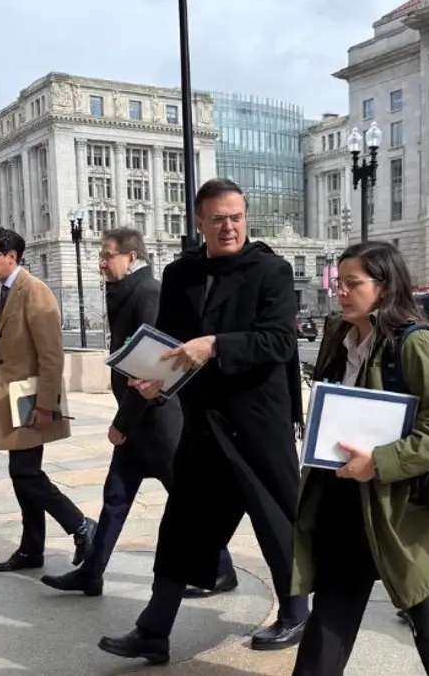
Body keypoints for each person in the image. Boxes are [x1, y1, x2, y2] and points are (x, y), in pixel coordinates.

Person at [96, 179, 310, 664]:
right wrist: (154, 380)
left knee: (275, 521)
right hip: (202, 424)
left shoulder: (271, 270)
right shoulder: (181, 274)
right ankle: (154, 631)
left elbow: (278, 343)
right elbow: (168, 342)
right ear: (199, 222)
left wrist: (215, 344)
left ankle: (296, 611)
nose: (229, 226)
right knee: (180, 528)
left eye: (236, 216)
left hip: (258, 423)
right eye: (218, 219)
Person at [290, 241, 429, 676]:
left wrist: (380, 463)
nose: (342, 292)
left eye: (353, 284)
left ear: (385, 286)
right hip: (345, 501)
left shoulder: (418, 345)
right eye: (340, 283)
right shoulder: (341, 338)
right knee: (330, 617)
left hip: (405, 514)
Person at [39, 228, 235, 597]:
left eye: (107, 255)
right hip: (139, 421)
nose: (101, 262)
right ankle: (91, 573)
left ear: (131, 257)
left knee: (187, 500)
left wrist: (122, 423)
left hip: (158, 421)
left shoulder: (148, 293)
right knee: (115, 496)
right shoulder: (128, 291)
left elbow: (149, 366)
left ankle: (222, 569)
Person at [0, 227, 96, 572]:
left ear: (11, 256)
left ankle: (80, 524)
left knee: (25, 473)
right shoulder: (8, 291)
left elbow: (52, 354)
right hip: (17, 397)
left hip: (32, 398)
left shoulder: (34, 291)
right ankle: (32, 549)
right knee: (22, 474)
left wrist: (46, 405)